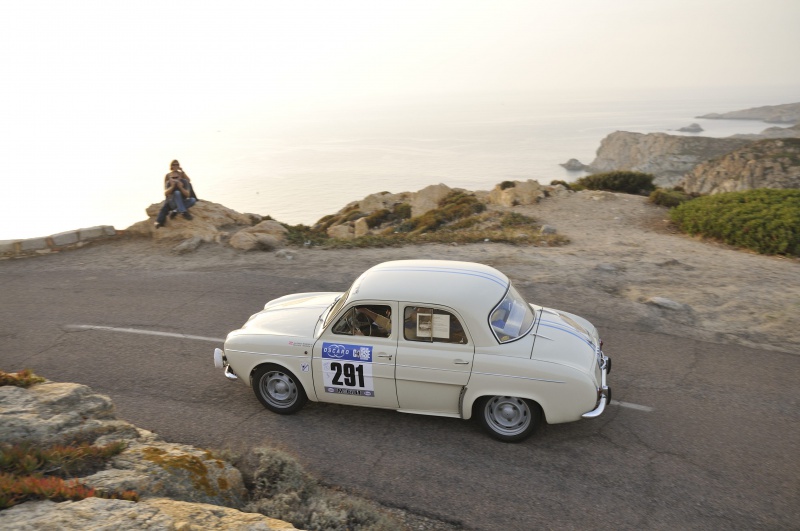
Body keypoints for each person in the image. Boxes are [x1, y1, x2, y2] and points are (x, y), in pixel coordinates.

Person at [155, 160, 198, 229]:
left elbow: (188, 181)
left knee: (192, 199)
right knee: (165, 208)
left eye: (177, 165)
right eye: (174, 165)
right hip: (171, 197)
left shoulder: (181, 175)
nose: (175, 166)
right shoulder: (168, 176)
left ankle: (176, 210)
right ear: (171, 166)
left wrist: (182, 175)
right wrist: (172, 187)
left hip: (181, 197)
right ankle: (182, 212)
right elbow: (166, 189)